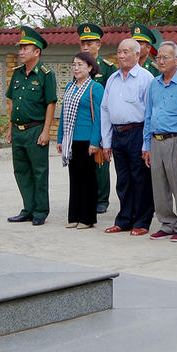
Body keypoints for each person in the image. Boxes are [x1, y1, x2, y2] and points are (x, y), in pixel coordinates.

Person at [99, 38, 155, 235]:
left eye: (126, 52)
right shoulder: (112, 79)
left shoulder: (146, 78)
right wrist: (106, 142)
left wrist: (147, 143)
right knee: (123, 180)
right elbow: (105, 110)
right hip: (118, 133)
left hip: (137, 132)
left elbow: (149, 113)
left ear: (137, 54)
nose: (121, 56)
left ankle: (141, 221)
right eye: (119, 51)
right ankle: (124, 220)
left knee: (140, 179)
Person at [4, 26, 57, 226]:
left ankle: (41, 211)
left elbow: (50, 104)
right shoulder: (17, 73)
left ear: (37, 52)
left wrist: (46, 131)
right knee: (21, 171)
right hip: (18, 130)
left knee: (39, 171)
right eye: (20, 48)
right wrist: (10, 129)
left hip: (36, 130)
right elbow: (12, 102)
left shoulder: (45, 74)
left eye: (25, 48)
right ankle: (28, 208)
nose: (21, 51)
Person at [143, 41, 177, 240]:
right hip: (156, 140)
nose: (160, 61)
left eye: (165, 57)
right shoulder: (154, 84)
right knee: (159, 185)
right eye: (158, 57)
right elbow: (148, 115)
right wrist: (146, 145)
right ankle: (166, 223)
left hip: (176, 140)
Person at [57, 52, 105, 229]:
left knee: (88, 179)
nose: (76, 68)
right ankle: (74, 216)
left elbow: (99, 117)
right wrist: (60, 138)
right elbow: (63, 113)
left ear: (90, 68)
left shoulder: (95, 88)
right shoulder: (70, 86)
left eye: (80, 65)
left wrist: (95, 142)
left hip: (87, 139)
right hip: (71, 139)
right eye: (74, 64)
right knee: (75, 177)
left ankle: (87, 218)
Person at [79, 23, 116, 214]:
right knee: (84, 161)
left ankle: (102, 198)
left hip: (101, 121)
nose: (85, 47)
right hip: (84, 123)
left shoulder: (108, 69)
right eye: (83, 43)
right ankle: (88, 196)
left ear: (98, 45)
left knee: (100, 161)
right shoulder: (79, 68)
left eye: (90, 43)